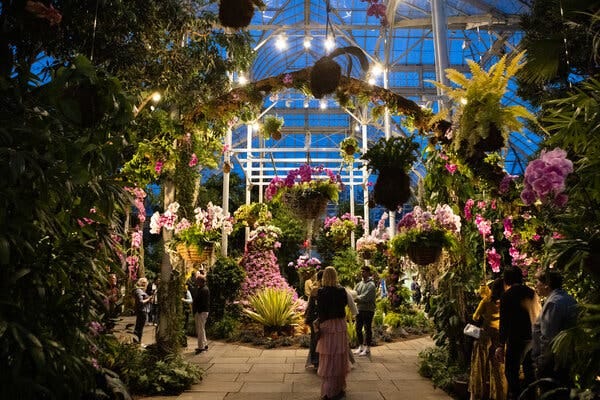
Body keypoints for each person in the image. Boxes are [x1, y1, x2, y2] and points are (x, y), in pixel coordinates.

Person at [495, 267, 540, 400]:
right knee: (529, 371)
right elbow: (538, 315)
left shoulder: (507, 295)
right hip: (532, 338)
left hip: (515, 338)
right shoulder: (532, 293)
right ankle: (530, 396)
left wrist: (500, 344)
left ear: (507, 279)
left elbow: (504, 322)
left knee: (511, 371)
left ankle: (516, 395)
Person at [531, 269, 578, 383]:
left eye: (537, 282)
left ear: (547, 284)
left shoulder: (553, 303)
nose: (536, 286)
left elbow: (548, 337)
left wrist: (541, 362)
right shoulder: (569, 299)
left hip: (552, 362)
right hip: (566, 358)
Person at [469, 278, 507, 400]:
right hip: (499, 337)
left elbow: (475, 317)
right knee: (499, 369)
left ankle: (476, 395)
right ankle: (500, 395)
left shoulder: (486, 301)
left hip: (485, 336)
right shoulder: (506, 302)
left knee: (479, 367)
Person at [316, 266, 351, 400]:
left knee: (328, 356)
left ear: (324, 276)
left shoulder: (321, 291)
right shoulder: (341, 291)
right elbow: (345, 305)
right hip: (340, 325)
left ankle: (327, 390)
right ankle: (338, 387)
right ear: (336, 276)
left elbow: (321, 311)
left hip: (327, 325)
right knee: (339, 355)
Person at [353, 265, 377, 356]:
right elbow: (354, 293)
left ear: (368, 272)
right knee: (358, 328)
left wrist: (355, 298)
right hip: (359, 309)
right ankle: (360, 346)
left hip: (368, 310)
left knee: (367, 329)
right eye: (361, 271)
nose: (361, 273)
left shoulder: (371, 285)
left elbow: (365, 297)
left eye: (363, 271)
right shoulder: (359, 284)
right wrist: (354, 296)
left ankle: (367, 348)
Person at [305, 270, 324, 369]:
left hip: (317, 319)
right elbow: (311, 306)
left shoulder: (318, 290)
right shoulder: (316, 290)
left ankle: (317, 361)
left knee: (315, 340)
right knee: (316, 340)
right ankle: (317, 361)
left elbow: (310, 306)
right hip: (317, 319)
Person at [192, 272, 210, 355]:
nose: (196, 282)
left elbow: (200, 302)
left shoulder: (204, 290)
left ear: (201, 281)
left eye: (197, 280)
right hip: (201, 311)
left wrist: (197, 310)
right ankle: (204, 344)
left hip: (201, 312)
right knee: (201, 329)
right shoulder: (202, 289)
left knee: (200, 329)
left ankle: (201, 347)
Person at [133, 277, 153, 343]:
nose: (144, 284)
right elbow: (141, 302)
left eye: (145, 282)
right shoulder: (139, 291)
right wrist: (148, 299)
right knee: (139, 328)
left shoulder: (142, 291)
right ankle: (137, 342)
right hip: (142, 311)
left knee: (139, 327)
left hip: (144, 310)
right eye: (143, 282)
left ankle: (137, 342)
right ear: (140, 283)